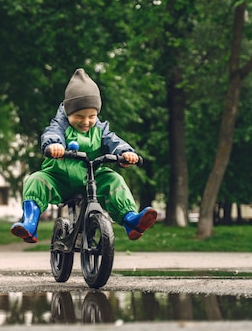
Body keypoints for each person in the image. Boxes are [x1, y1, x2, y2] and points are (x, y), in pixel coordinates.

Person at [10, 68, 157, 243]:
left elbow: (114, 141)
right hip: (59, 179)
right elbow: (52, 134)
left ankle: (131, 220)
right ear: (68, 111)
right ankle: (30, 224)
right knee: (35, 180)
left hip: (92, 178)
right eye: (79, 116)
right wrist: (54, 145)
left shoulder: (100, 130)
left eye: (92, 116)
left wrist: (126, 153)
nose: (86, 121)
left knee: (115, 180)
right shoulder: (60, 126)